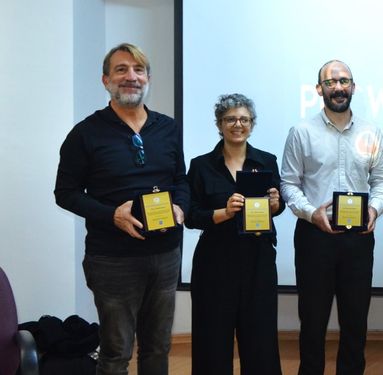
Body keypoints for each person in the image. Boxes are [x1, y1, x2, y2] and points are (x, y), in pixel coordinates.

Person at [54, 43, 189, 375]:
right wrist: (110, 214)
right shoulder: (85, 134)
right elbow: (65, 193)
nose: (131, 77)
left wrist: (181, 207)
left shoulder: (168, 128)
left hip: (166, 254)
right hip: (112, 260)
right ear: (105, 80)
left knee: (158, 348)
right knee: (116, 352)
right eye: (121, 69)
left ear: (148, 78)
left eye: (138, 70)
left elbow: (181, 179)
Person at [280, 60, 383, 375]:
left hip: (358, 239)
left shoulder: (371, 132)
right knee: (312, 321)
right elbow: (288, 183)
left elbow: (382, 181)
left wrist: (375, 208)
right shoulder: (301, 132)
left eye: (344, 81)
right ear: (319, 89)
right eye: (331, 82)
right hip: (314, 237)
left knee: (355, 321)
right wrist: (310, 213)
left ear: (353, 87)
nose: (338, 87)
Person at [185, 93, 284, 375]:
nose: (237, 124)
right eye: (230, 119)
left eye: (244, 119)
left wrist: (277, 204)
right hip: (215, 262)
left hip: (258, 261)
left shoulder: (266, 161)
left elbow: (276, 206)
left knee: (261, 341)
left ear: (252, 124)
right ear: (219, 124)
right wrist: (223, 212)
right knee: (212, 342)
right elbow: (191, 216)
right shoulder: (201, 165)